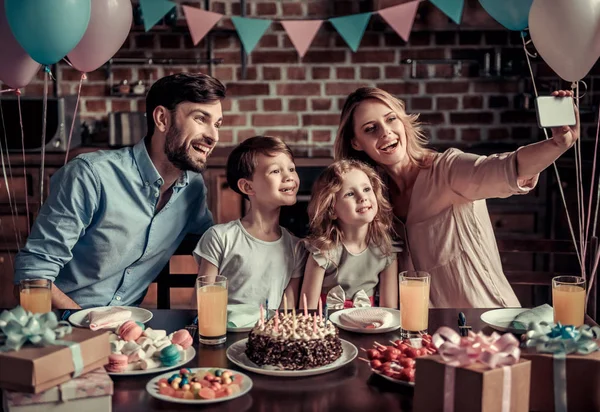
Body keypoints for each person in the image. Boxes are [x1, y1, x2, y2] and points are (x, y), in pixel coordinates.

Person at [334, 87, 579, 308]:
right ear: (356, 142)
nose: (386, 132)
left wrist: (558, 144)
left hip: (486, 324)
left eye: (391, 119)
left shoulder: (448, 169)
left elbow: (508, 167)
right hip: (422, 335)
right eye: (371, 128)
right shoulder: (374, 199)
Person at [14, 72, 226, 309]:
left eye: (217, 124)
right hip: (63, 326)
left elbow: (211, 244)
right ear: (162, 119)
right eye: (201, 119)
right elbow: (32, 276)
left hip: (127, 329)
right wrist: (87, 325)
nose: (213, 136)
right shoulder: (90, 175)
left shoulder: (193, 188)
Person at [193, 136, 306, 309]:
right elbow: (200, 306)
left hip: (269, 335)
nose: (289, 177)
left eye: (291, 169)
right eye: (275, 171)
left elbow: (288, 311)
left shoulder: (296, 247)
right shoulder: (221, 237)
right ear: (248, 187)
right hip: (224, 333)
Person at [300, 159, 399, 309]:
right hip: (327, 328)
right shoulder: (322, 253)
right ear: (332, 210)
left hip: (369, 327)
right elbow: (307, 311)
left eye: (366, 189)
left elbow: (389, 311)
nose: (362, 197)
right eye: (350, 194)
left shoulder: (386, 251)